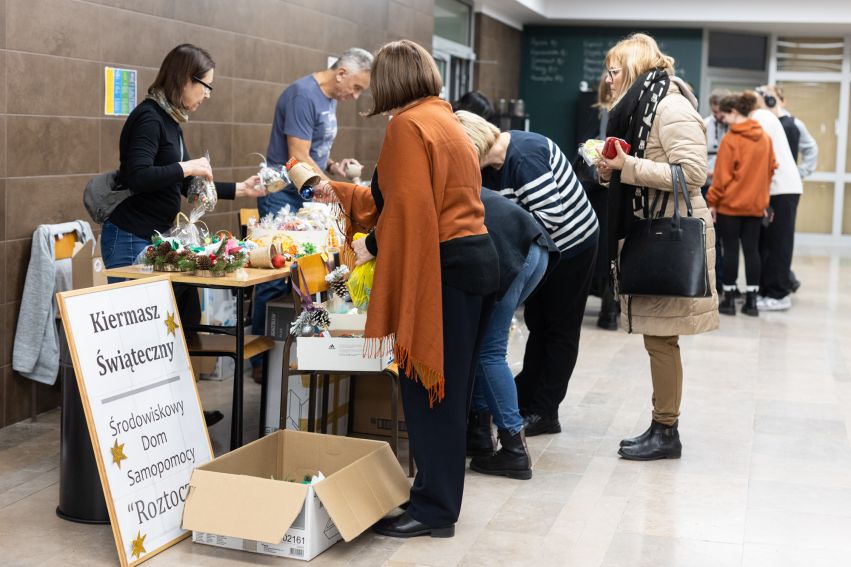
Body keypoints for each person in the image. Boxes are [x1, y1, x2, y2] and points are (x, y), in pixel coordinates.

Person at [314, 40, 498, 538]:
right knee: (449, 392)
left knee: (428, 389)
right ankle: (435, 499)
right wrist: (341, 193)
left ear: (392, 80)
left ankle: (434, 509)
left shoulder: (406, 125)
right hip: (474, 261)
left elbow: (409, 212)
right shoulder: (444, 118)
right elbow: (396, 197)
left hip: (448, 267)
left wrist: (370, 246)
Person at [101, 44, 266, 425]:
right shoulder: (148, 118)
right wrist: (185, 165)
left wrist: (241, 188)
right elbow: (138, 176)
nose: (207, 94)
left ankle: (178, 408)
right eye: (205, 86)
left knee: (183, 316)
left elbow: (188, 182)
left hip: (156, 239)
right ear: (183, 78)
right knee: (138, 334)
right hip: (130, 236)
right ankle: (137, 419)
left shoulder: (172, 122)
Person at [596, 33, 718, 461]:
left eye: (613, 71)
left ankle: (666, 430)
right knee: (658, 338)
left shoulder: (669, 106)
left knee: (661, 339)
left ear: (632, 70)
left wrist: (627, 166)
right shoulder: (644, 107)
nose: (608, 81)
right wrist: (612, 169)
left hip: (669, 232)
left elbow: (692, 173)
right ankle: (663, 425)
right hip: (652, 226)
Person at [454, 110, 599, 438]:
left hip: (573, 245)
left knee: (558, 329)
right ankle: (525, 398)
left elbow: (551, 219)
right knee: (538, 322)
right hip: (541, 248)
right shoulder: (493, 166)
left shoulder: (525, 156)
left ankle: (545, 410)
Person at [250, 48, 374, 378]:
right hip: (283, 196)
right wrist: (335, 188)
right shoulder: (303, 95)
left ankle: (288, 350)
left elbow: (316, 151)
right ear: (342, 73)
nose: (356, 95)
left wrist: (334, 167)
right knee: (273, 274)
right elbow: (298, 156)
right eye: (357, 88)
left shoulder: (328, 99)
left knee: (307, 271)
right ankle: (261, 360)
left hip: (308, 193)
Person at [467, 188, 559, 480]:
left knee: (488, 352)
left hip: (514, 252)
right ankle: (481, 436)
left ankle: (514, 450)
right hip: (534, 247)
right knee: (484, 344)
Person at [707, 92, 777, 317]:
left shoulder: (731, 140)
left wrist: (712, 202)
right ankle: (752, 303)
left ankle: (728, 301)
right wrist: (764, 199)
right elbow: (771, 168)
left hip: (730, 206)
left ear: (734, 112)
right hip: (756, 206)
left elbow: (721, 177)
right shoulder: (765, 138)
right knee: (752, 250)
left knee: (731, 251)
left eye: (725, 116)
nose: (723, 120)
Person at [758, 84, 818, 294]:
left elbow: (811, 149)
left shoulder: (793, 124)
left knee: (780, 237)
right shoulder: (762, 120)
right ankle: (776, 282)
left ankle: (782, 283)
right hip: (768, 188)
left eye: (772, 97)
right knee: (766, 238)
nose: (768, 100)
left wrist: (799, 172)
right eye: (765, 97)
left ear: (782, 100)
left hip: (783, 188)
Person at [750, 90, 804, 311]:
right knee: (769, 242)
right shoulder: (762, 118)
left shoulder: (759, 119)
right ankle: (769, 290)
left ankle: (780, 294)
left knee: (779, 242)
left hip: (782, 190)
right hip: (776, 190)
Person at [704, 88, 731, 293]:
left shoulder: (734, 127)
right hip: (708, 186)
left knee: (727, 239)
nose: (716, 116)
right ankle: (716, 284)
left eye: (719, 112)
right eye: (713, 112)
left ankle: (727, 283)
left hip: (729, 190)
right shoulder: (705, 125)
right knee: (712, 239)